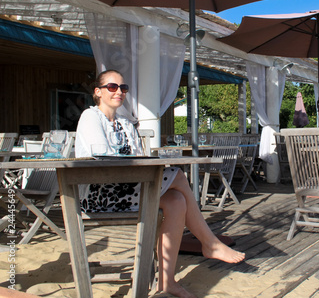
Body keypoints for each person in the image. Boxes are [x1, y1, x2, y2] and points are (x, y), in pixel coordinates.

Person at [75, 70, 245, 298]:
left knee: (176, 201)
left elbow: (137, 158)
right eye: (113, 87)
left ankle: (167, 281)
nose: (119, 92)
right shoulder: (91, 117)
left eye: (123, 88)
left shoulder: (125, 123)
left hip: (127, 189)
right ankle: (209, 242)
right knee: (177, 176)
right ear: (98, 92)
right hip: (100, 193)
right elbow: (103, 157)